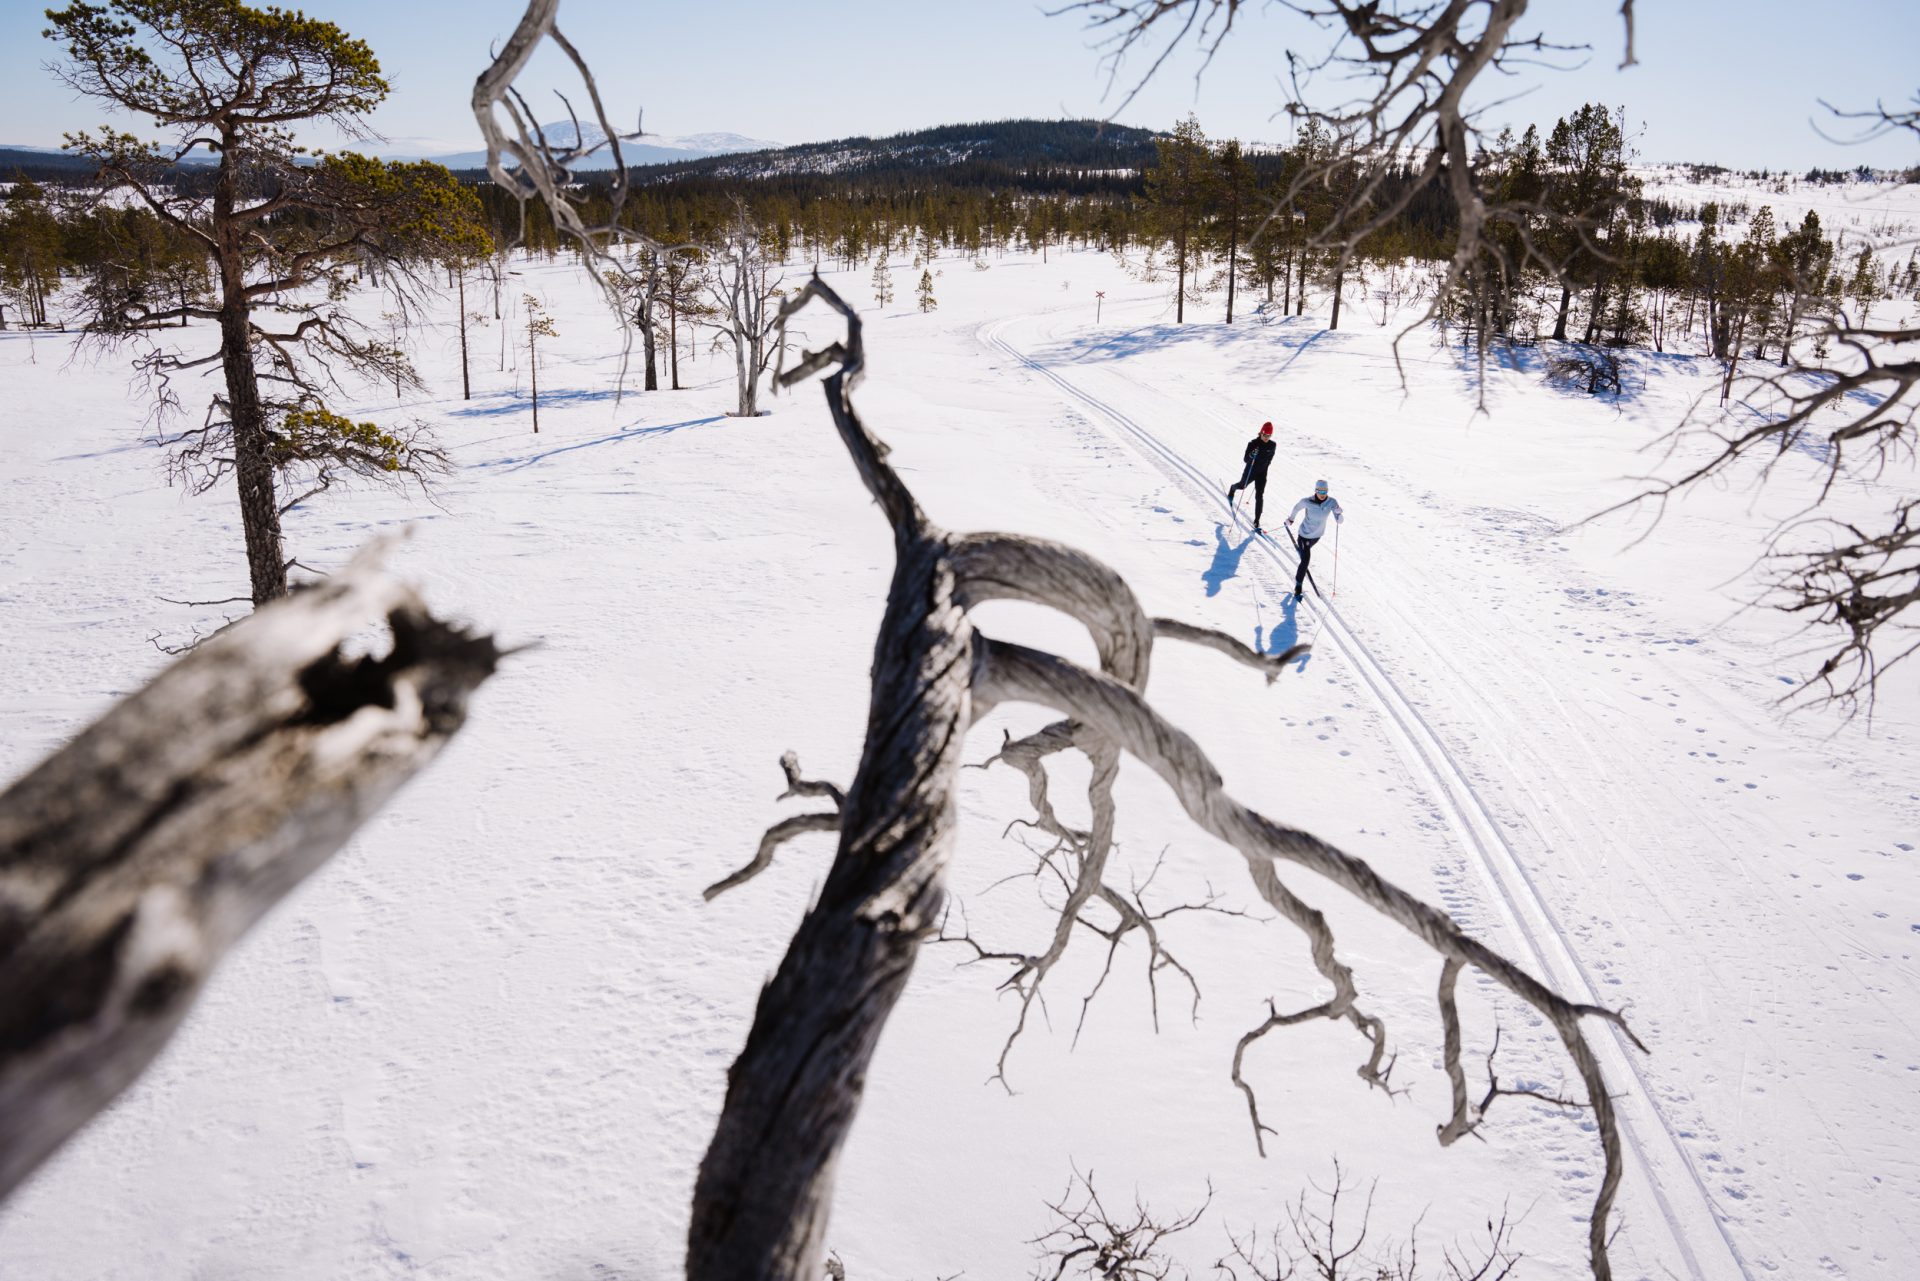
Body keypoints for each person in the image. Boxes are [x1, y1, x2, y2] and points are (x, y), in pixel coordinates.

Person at [1285, 479, 1344, 598]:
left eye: (1325, 492)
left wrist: (1339, 514)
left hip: (1317, 537)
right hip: (1304, 535)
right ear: (1316, 491)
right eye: (1320, 491)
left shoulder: (1331, 502)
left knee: (1304, 555)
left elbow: (1339, 520)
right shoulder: (1307, 501)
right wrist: (1291, 519)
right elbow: (1296, 508)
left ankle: (1302, 552)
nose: (1322, 494)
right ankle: (1298, 585)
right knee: (1305, 560)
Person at [1227, 422, 1278, 532]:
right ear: (1261, 433)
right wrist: (1251, 455)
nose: (1266, 438)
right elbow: (1245, 459)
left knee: (1259, 495)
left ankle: (1257, 520)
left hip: (1262, 473)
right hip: (1251, 471)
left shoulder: (1272, 445)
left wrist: (1264, 468)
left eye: (1269, 436)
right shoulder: (1253, 444)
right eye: (1264, 435)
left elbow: (1270, 459)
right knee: (1242, 486)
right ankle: (1232, 488)